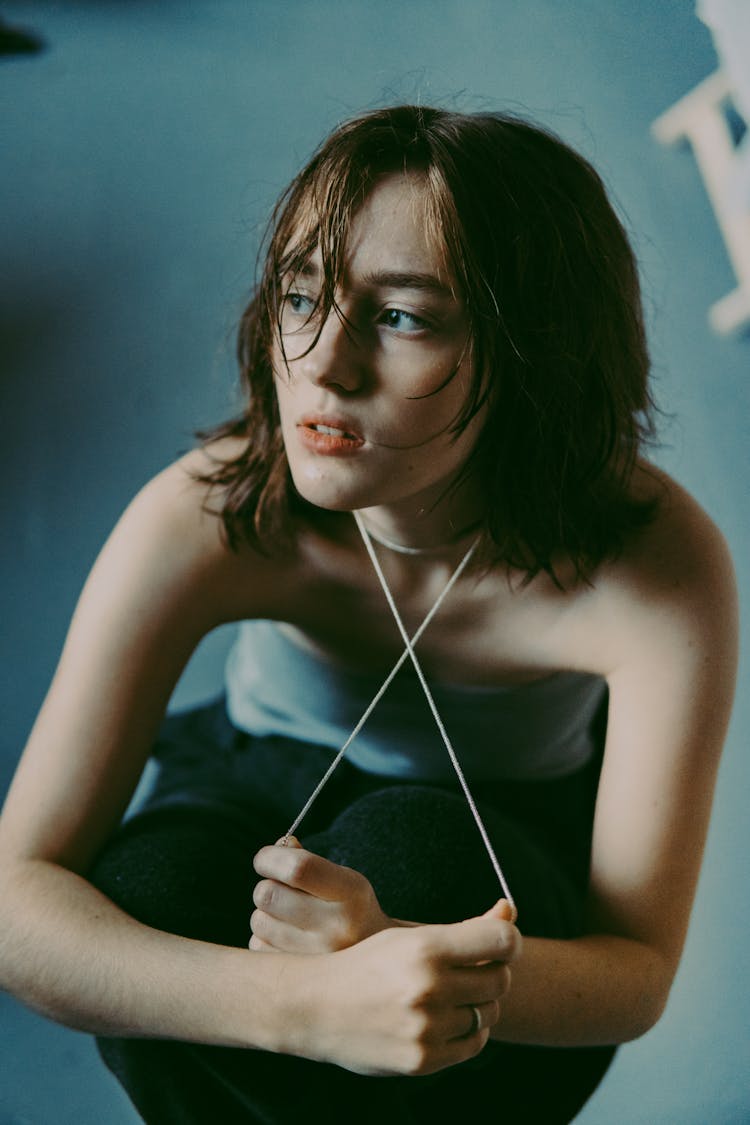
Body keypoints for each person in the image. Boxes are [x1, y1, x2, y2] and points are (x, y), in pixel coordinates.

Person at [0, 105, 738, 1124]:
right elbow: (14, 903)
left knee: (413, 850)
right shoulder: (217, 508)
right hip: (252, 788)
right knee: (153, 885)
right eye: (301, 295)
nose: (324, 364)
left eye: (403, 316)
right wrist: (303, 1007)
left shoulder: (652, 559)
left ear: (535, 350)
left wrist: (408, 965)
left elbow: (637, 973)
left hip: (508, 852)